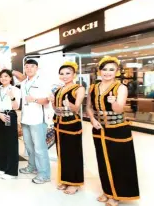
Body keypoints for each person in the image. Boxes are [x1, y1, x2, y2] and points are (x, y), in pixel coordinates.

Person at [86, 56, 140, 206]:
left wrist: (114, 102)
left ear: (117, 71)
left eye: (111, 69)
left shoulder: (120, 87)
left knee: (118, 162)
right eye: (104, 69)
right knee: (103, 161)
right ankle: (107, 191)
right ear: (99, 71)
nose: (107, 72)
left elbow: (119, 108)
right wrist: (92, 119)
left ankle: (117, 194)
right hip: (99, 129)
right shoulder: (93, 87)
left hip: (118, 129)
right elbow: (89, 107)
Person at [49, 62, 85, 194]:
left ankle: (74, 183)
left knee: (73, 153)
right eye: (62, 74)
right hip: (59, 124)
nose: (64, 76)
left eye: (68, 73)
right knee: (62, 153)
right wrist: (53, 102)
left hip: (72, 124)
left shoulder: (79, 88)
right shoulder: (59, 89)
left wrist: (68, 103)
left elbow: (76, 109)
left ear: (74, 74)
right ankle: (65, 180)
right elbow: (56, 109)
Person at [19, 59, 51, 184]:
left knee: (40, 148)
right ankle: (32, 166)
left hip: (38, 119)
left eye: (32, 66)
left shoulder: (42, 81)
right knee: (29, 146)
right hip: (26, 118)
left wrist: (34, 99)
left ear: (37, 68)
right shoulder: (24, 83)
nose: (29, 69)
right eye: (27, 67)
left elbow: (47, 100)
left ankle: (44, 174)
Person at [0, 69, 21, 179]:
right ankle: (3, 168)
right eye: (1, 77)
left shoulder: (15, 90)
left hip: (10, 115)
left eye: (6, 76)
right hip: (0, 116)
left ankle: (12, 172)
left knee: (11, 144)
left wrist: (12, 96)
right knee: (1, 142)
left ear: (10, 78)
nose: (3, 78)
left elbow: (16, 107)